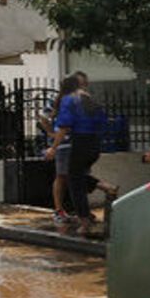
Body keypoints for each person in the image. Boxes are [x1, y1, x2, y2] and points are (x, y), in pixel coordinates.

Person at [44, 78, 103, 237]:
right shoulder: (90, 98)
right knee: (76, 177)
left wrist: (53, 148)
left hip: (79, 143)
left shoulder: (69, 100)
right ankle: (105, 187)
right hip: (95, 143)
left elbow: (64, 126)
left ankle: (84, 222)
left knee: (74, 183)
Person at [42, 74, 82, 228]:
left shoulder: (71, 100)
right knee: (62, 177)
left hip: (70, 144)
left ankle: (70, 210)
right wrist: (53, 135)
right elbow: (44, 118)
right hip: (64, 144)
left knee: (68, 177)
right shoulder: (62, 101)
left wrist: (52, 134)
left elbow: (44, 118)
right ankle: (60, 210)